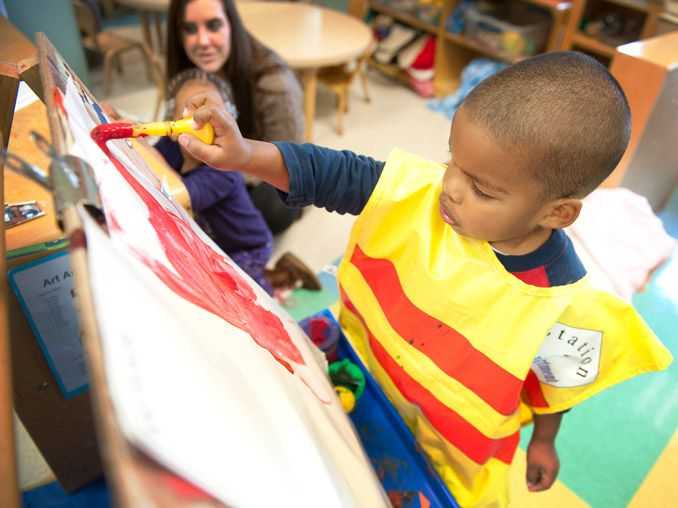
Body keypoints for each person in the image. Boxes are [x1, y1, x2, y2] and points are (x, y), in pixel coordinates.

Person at [177, 52, 672, 507]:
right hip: (356, 377)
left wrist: (543, 442)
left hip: (447, 460)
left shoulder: (563, 304)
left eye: (480, 188)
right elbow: (332, 174)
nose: (451, 188)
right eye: (453, 159)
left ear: (557, 212)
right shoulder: (419, 192)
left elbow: (555, 382)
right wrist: (245, 155)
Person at [154, 70, 320, 295]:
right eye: (187, 112)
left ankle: (286, 274)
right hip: (219, 242)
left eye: (212, 115)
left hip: (249, 247)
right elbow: (147, 166)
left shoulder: (225, 171)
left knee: (247, 293)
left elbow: (177, 194)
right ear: (171, 126)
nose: (199, 123)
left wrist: (138, 145)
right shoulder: (170, 147)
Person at [166, 0, 304, 235]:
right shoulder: (186, 72)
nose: (203, 40)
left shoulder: (275, 82)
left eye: (213, 25)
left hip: (262, 172)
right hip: (218, 165)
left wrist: (226, 168)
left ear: (232, 24)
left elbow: (291, 163)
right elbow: (172, 128)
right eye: (190, 29)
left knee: (271, 209)